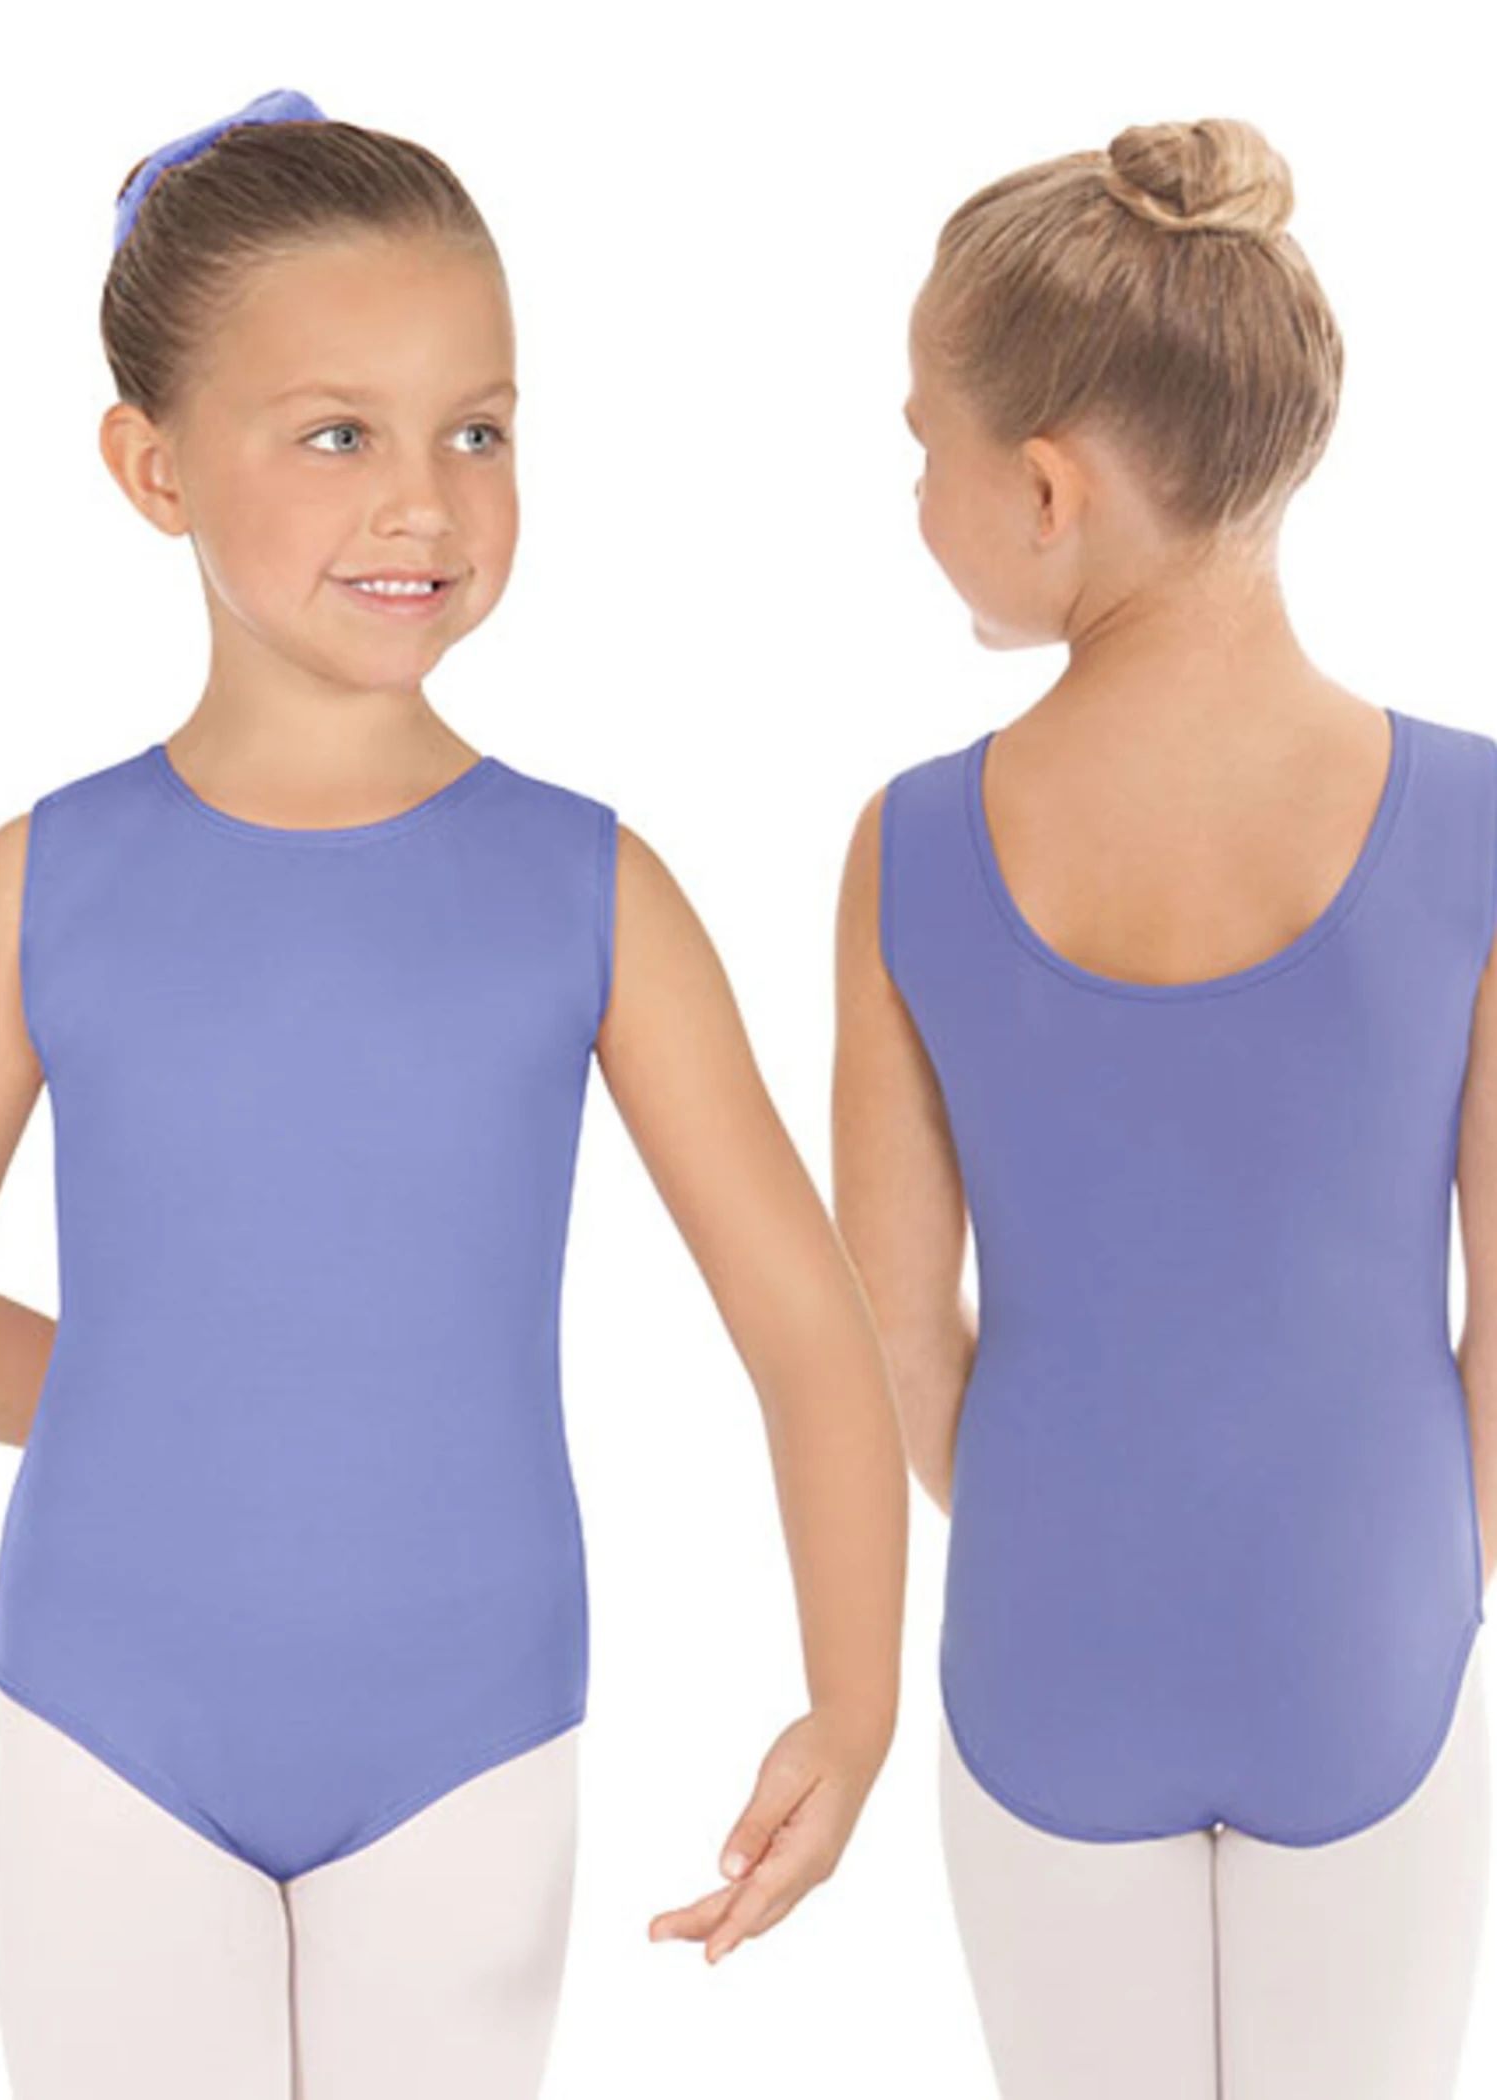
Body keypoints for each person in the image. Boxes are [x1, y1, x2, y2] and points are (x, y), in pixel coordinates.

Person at [0, 88, 908, 2100]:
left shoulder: (589, 889)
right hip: (92, 1725)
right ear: (152, 467)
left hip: (467, 1741)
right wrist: (143, 1399)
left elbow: (806, 1328)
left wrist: (853, 1710)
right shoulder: (43, 885)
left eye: (476, 432)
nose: (425, 501)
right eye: (339, 435)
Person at [832, 116, 1495, 2100]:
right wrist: (1405, 1563)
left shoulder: (912, 847)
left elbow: (890, 1335)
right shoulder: (1476, 821)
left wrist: (1075, 1525)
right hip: (1370, 1618)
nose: (915, 494)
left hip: (1052, 1632)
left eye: (924, 445)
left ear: (1047, 488)